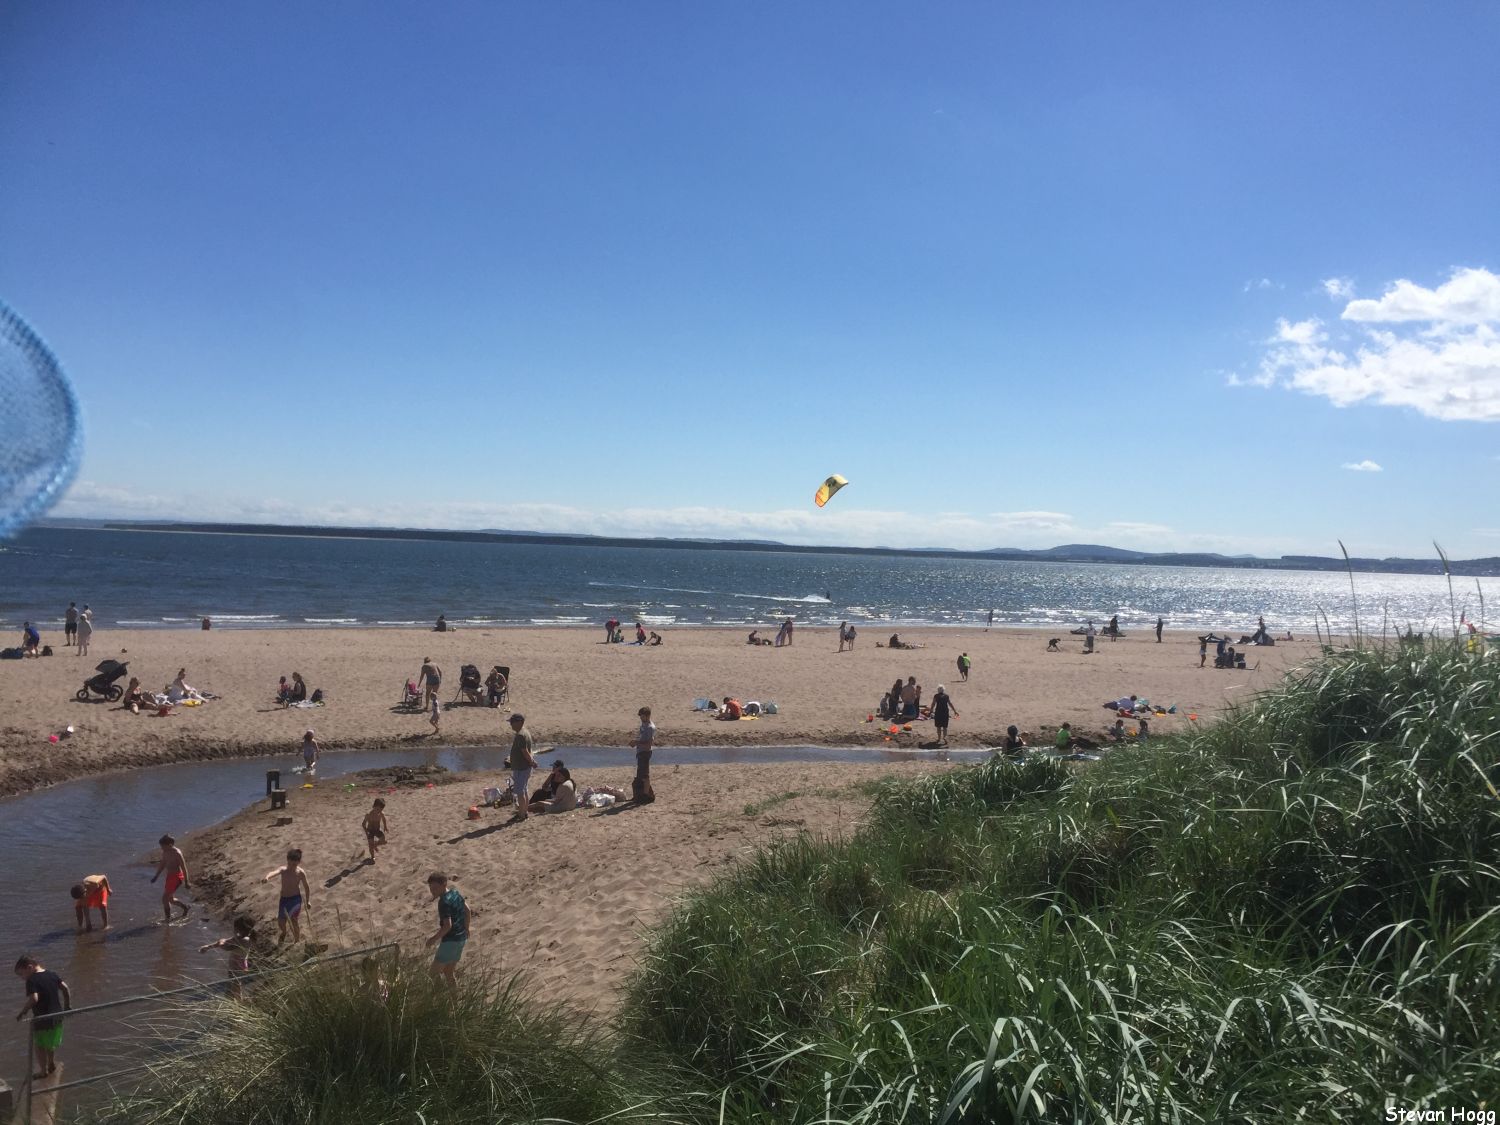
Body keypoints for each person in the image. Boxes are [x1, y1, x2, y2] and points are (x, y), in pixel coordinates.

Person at [14, 955, 70, 1079]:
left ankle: (43, 1071)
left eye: (21, 974)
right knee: (50, 1042)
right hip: (58, 1016)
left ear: (29, 967)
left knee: (39, 1045)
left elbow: (34, 998)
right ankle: (51, 1063)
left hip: (43, 1018)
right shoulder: (52, 974)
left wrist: (23, 1012)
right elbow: (65, 988)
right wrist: (67, 1005)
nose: (23, 978)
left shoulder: (32, 980)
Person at [425, 873, 467, 995]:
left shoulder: (443, 902)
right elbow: (467, 910)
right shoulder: (455, 893)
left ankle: (435, 999)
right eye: (431, 888)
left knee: (431, 975)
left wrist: (433, 939)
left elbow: (447, 925)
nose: (432, 891)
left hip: (450, 942)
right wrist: (466, 928)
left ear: (444, 885)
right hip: (461, 939)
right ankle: (454, 1002)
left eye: (435, 888)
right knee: (449, 973)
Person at [199, 917, 255, 1000]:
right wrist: (208, 947)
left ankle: (240, 1003)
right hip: (234, 966)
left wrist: (221, 942)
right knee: (234, 985)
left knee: (236, 986)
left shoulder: (245, 940)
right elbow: (226, 941)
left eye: (235, 928)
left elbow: (227, 947)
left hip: (238, 967)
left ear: (239, 929)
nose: (234, 930)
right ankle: (237, 999)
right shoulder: (240, 938)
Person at [264, 849, 311, 945]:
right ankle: (284, 932)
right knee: (281, 921)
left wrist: (308, 901)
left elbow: (306, 887)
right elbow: (273, 872)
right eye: (291, 862)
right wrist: (267, 877)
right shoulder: (283, 870)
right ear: (287, 860)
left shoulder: (300, 872)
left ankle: (297, 940)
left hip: (295, 899)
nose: (292, 865)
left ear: (298, 862)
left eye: (295, 863)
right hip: (284, 899)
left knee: (294, 920)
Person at [151, 834, 191, 921]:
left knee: (165, 898)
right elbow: (162, 864)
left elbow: (184, 868)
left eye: (163, 846)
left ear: (169, 845)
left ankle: (167, 919)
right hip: (170, 877)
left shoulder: (177, 853)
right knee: (170, 899)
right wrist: (156, 876)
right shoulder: (165, 852)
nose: (161, 848)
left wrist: (187, 881)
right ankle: (185, 907)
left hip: (177, 877)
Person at [507, 713, 537, 818]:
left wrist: (532, 762)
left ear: (519, 722)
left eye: (512, 722)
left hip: (521, 767)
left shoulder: (521, 735)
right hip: (524, 767)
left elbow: (525, 752)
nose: (511, 725)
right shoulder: (525, 732)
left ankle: (521, 814)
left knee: (520, 792)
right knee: (524, 790)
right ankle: (524, 811)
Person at [632, 706, 656, 803]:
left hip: (645, 752)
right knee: (640, 776)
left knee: (645, 776)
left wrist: (636, 743)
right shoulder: (644, 725)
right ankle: (640, 795)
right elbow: (642, 738)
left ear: (647, 716)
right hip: (640, 752)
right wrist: (636, 741)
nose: (641, 719)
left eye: (642, 717)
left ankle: (646, 796)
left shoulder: (650, 727)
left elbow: (648, 744)